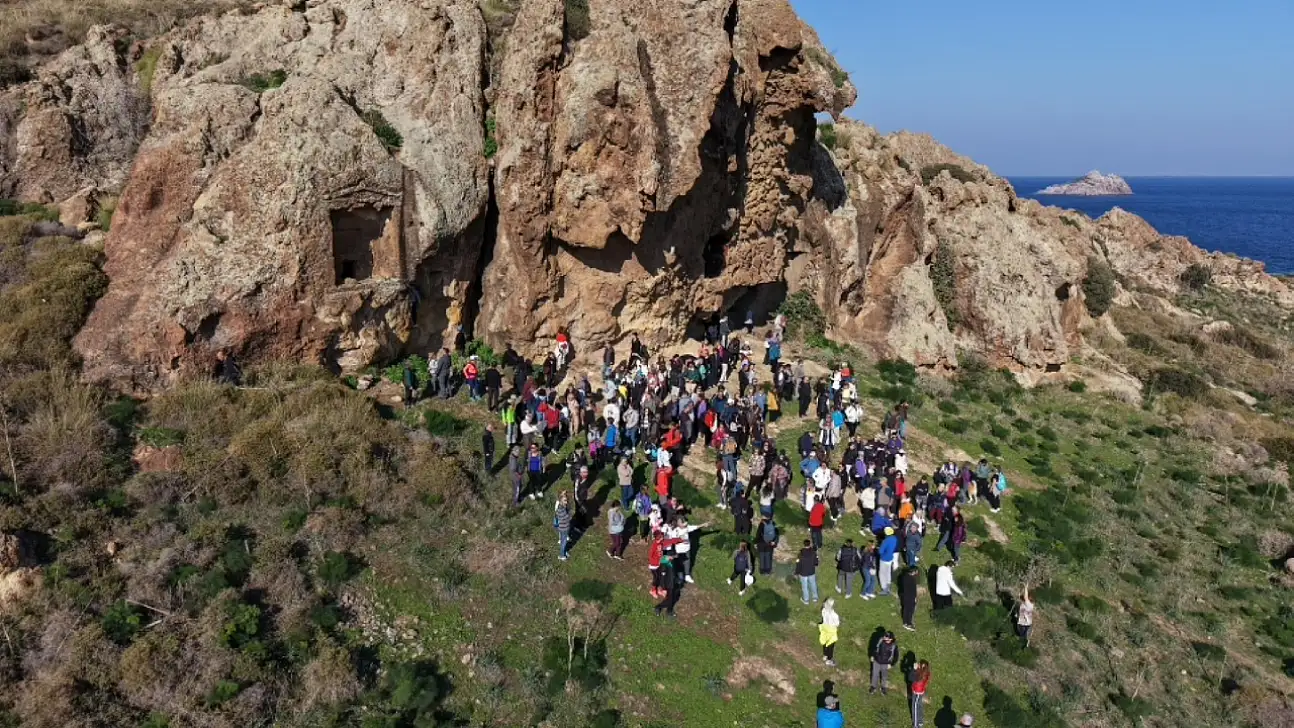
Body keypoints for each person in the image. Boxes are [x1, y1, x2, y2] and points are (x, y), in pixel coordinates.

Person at [795, 539, 820, 604]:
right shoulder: (813, 552)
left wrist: (797, 572)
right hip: (811, 571)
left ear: (804, 544)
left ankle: (806, 600)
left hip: (803, 573)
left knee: (804, 587)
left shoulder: (800, 554)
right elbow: (816, 562)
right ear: (810, 544)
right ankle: (815, 598)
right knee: (813, 584)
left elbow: (798, 564)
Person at [909, 660, 931, 728]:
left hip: (917, 692)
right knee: (919, 705)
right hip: (921, 691)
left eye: (920, 664)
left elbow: (910, 678)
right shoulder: (926, 672)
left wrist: (914, 669)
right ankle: (920, 721)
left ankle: (915, 725)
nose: (918, 664)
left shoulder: (920, 675)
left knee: (915, 708)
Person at [819, 598, 841, 666]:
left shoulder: (823, 610)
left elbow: (823, 618)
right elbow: (837, 624)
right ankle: (829, 659)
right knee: (830, 646)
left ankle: (825, 655)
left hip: (824, 628)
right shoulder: (835, 615)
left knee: (825, 642)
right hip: (831, 631)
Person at [878, 527, 899, 596]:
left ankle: (884, 589)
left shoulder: (885, 541)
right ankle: (888, 587)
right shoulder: (894, 538)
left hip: (884, 559)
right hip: (890, 558)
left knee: (882, 574)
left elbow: (880, 551)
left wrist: (878, 548)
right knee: (888, 573)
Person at [553, 492, 573, 561]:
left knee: (564, 541)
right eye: (565, 500)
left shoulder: (563, 507)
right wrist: (569, 515)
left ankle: (564, 551)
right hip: (563, 529)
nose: (566, 502)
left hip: (565, 527)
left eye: (567, 500)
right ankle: (561, 555)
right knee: (563, 542)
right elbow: (566, 517)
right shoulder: (560, 509)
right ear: (560, 500)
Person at [900, 566, 919, 631]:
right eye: (916, 571)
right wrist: (914, 598)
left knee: (906, 609)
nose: (917, 572)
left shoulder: (905, 576)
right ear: (913, 571)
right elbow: (913, 590)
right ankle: (908, 623)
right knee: (910, 610)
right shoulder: (911, 579)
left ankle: (906, 621)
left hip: (905, 596)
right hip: (910, 597)